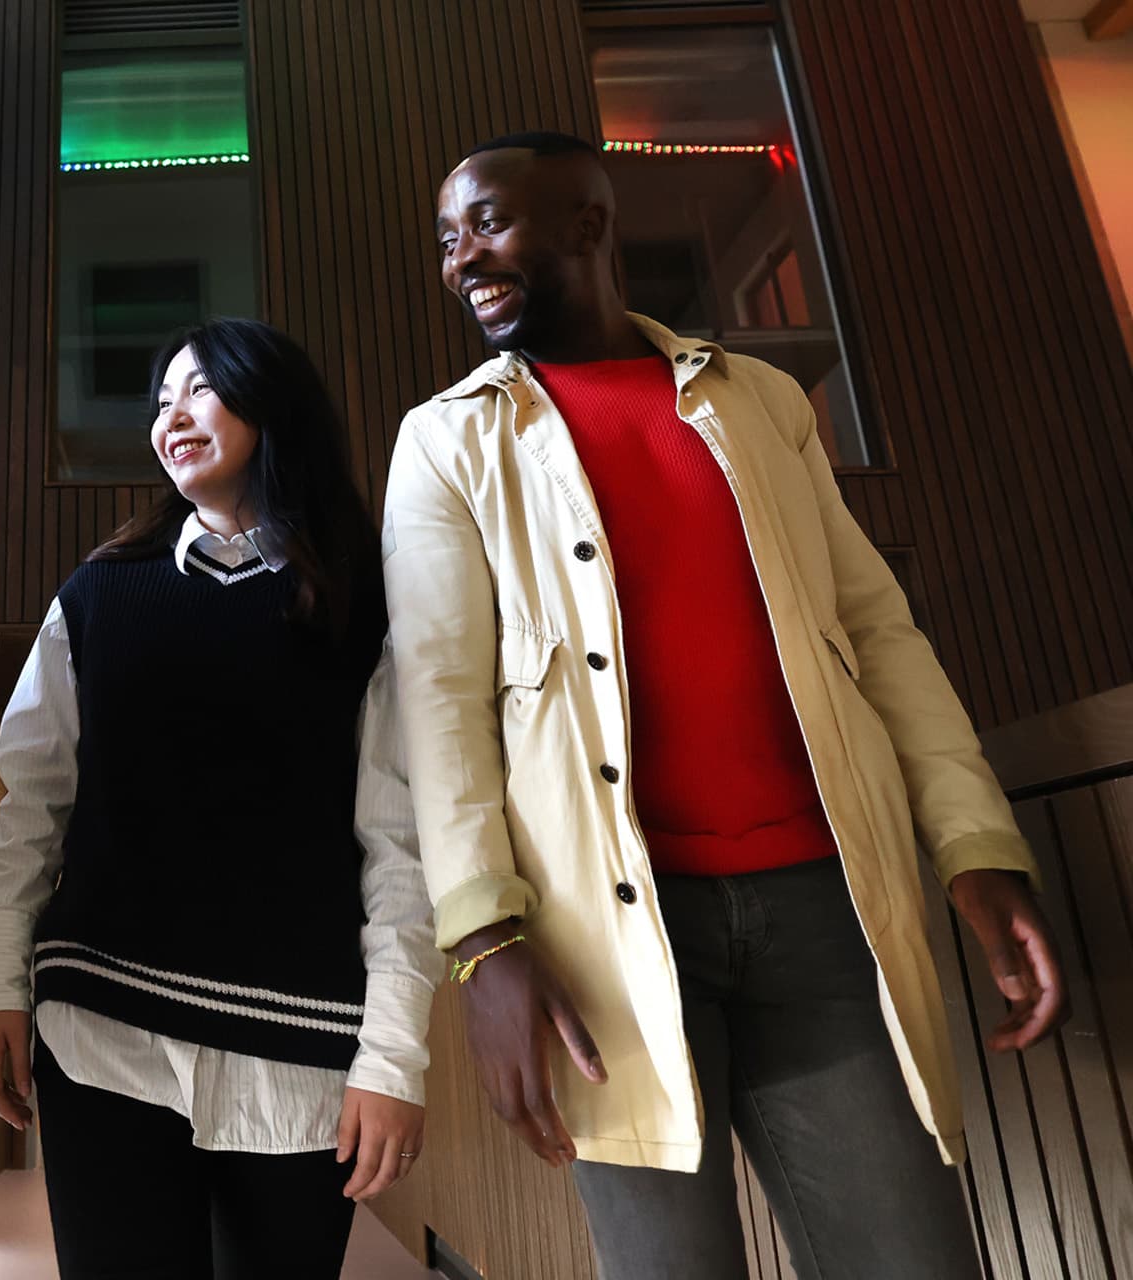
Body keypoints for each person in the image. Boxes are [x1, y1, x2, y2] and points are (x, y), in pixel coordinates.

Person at [383, 131, 1068, 1278]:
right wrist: (484, 938)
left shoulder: (760, 400)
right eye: (449, 239)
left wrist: (973, 842)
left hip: (827, 915)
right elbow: (441, 704)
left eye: (489, 224)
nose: (462, 260)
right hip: (610, 934)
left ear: (590, 226)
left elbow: (881, 635)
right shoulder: (448, 441)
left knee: (913, 1258)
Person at [0, 318, 440, 1280]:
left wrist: (394, 1062)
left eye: (196, 391)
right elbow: (31, 811)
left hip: (302, 1052)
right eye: (157, 403)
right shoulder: (96, 597)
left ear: (271, 406)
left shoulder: (367, 612)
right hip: (99, 1029)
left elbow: (400, 848)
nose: (169, 418)